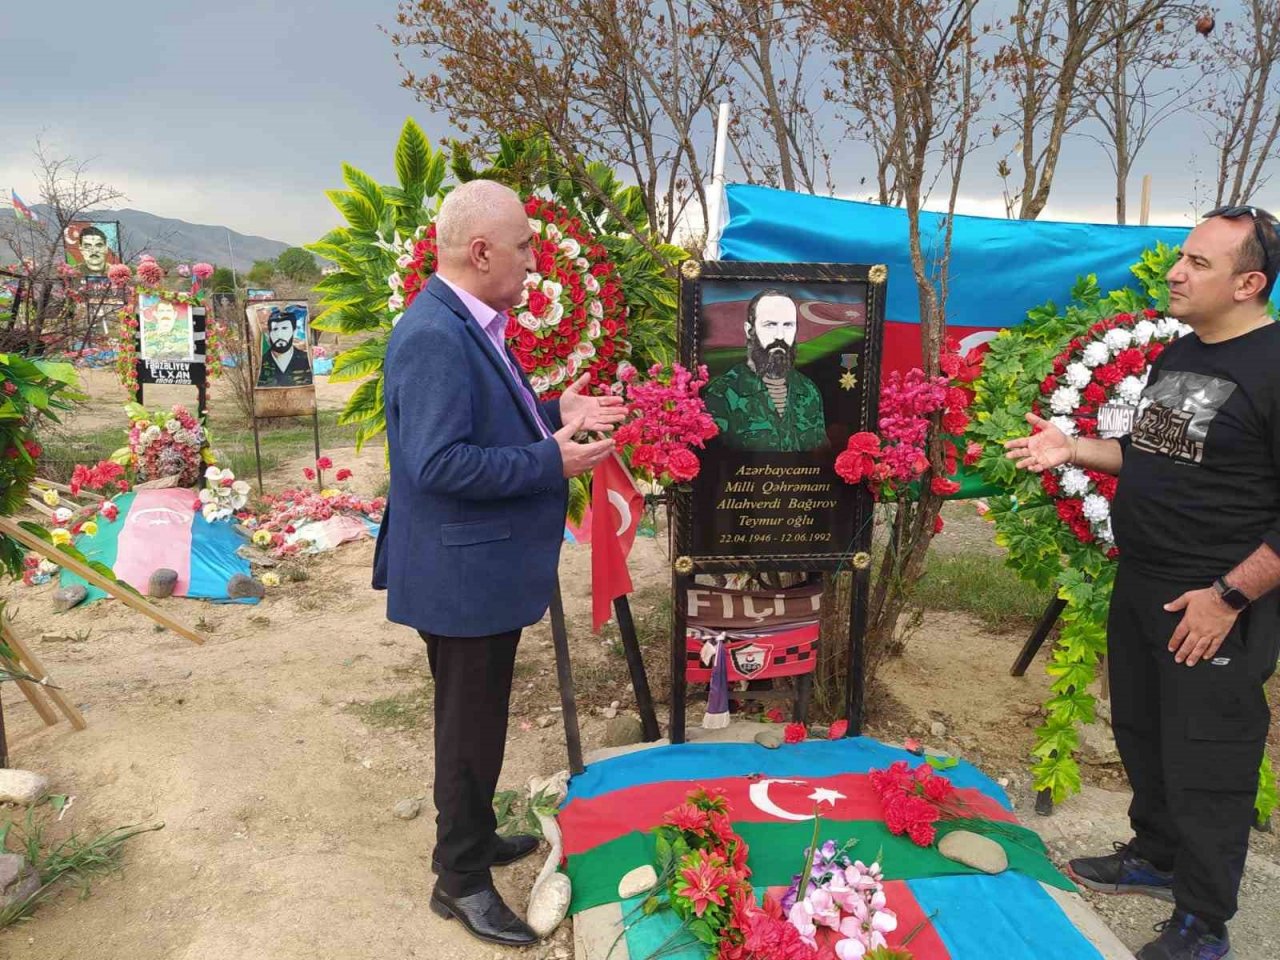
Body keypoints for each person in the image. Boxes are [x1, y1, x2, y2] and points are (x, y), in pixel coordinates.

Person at [1006, 206, 1280, 960]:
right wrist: (1072, 446)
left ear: (1249, 283)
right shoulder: (1183, 353)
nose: (1177, 271)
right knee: (1145, 733)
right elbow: (1151, 452)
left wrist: (1228, 598)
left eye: (1198, 262)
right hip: (1145, 583)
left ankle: (1202, 922)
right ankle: (1156, 858)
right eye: (1181, 257)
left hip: (1215, 602)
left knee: (1209, 757)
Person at [371, 179, 624, 947]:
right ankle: (461, 881)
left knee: (478, 723)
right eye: (522, 246)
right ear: (480, 251)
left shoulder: (470, 321)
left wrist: (555, 413)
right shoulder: (434, 335)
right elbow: (439, 463)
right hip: (458, 575)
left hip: (473, 568)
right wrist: (553, 461)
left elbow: (487, 422)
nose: (533, 260)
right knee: (468, 729)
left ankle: (472, 843)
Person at [703, 289, 827, 452]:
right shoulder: (722, 393)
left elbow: (821, 455)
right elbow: (715, 465)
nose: (780, 336)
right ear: (749, 330)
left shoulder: (808, 390)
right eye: (770, 325)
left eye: (788, 325)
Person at [256, 306, 312, 387]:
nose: (280, 334)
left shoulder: (305, 360)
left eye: (284, 328)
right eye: (275, 329)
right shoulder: (261, 362)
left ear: (293, 330)